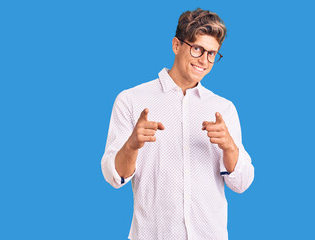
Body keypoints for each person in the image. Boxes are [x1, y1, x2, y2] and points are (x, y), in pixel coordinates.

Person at [101, 8, 254, 240]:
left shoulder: (223, 109)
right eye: (197, 49)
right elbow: (114, 177)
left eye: (212, 53)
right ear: (176, 45)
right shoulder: (131, 100)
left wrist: (229, 147)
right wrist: (132, 145)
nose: (204, 60)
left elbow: (242, 183)